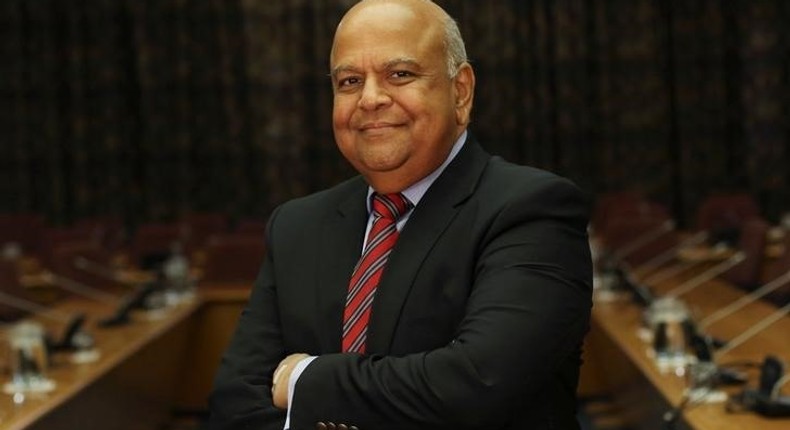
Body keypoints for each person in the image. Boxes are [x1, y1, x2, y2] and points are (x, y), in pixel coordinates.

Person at [208, 0, 592, 429]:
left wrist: (304, 378)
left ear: (460, 91)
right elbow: (234, 405)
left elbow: (477, 384)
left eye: (400, 75)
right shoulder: (296, 226)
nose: (370, 99)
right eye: (350, 81)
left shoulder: (531, 209)